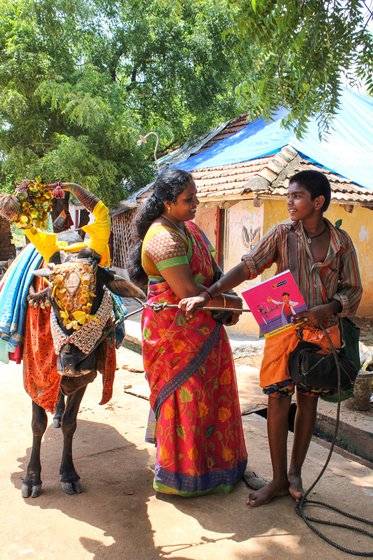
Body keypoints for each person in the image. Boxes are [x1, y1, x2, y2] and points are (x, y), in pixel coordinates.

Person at [180, 169, 362, 507]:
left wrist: (328, 308)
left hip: (322, 333)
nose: (290, 202)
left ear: (318, 202)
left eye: (296, 196)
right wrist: (210, 294)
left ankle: (295, 472)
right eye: (289, 195)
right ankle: (278, 480)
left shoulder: (341, 244)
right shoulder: (281, 235)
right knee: (278, 399)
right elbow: (249, 266)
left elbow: (353, 290)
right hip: (282, 330)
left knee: (309, 400)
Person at [128, 168, 248, 496]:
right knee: (187, 398)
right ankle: (182, 478)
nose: (196, 203)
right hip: (173, 335)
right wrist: (230, 302)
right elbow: (185, 291)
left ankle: (218, 469)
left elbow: (214, 272)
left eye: (195, 197)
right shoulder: (162, 238)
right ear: (167, 203)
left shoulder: (189, 228)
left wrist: (227, 300)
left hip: (207, 329)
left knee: (213, 397)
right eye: (188, 200)